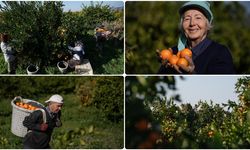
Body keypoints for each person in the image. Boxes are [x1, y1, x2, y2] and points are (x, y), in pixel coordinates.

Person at [158, 1, 235, 74]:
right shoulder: (173, 52)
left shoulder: (220, 53)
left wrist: (191, 74)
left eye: (198, 18)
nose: (192, 23)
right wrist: (165, 70)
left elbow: (217, 84)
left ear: (207, 25)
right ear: (182, 25)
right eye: (187, 19)